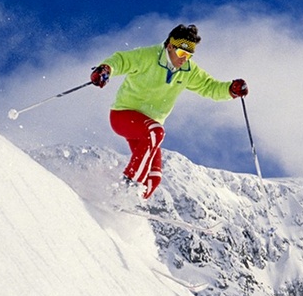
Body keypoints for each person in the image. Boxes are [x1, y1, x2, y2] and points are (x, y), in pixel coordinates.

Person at [90, 24, 249, 199]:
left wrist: (230, 90)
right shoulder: (148, 56)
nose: (184, 59)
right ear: (170, 46)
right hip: (124, 115)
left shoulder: (188, 70)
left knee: (154, 177)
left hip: (147, 128)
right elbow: (122, 60)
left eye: (189, 55)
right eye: (181, 53)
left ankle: (124, 203)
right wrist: (106, 69)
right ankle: (127, 188)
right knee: (156, 132)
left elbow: (208, 86)